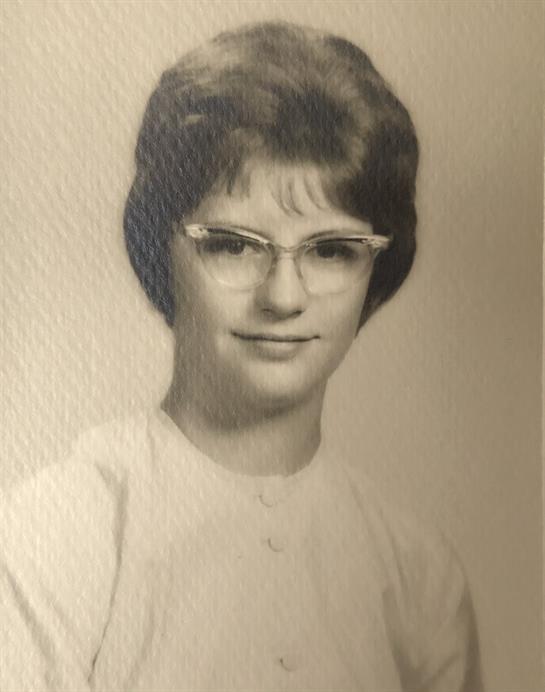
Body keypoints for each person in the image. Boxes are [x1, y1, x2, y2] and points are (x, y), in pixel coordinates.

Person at [0, 20, 483, 692]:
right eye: (232, 244)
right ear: (159, 251)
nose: (283, 296)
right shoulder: (61, 529)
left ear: (377, 271)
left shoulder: (418, 575)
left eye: (331, 251)